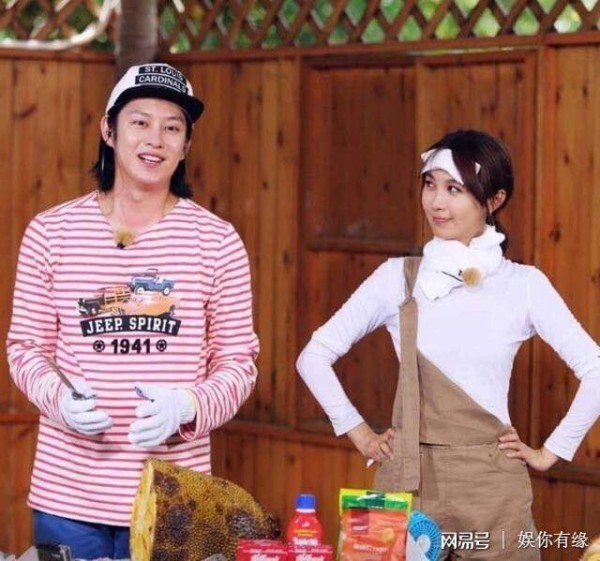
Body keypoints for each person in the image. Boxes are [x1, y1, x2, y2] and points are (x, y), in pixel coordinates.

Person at [296, 129, 600, 560]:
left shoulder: (524, 285)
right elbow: (313, 357)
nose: (436, 202)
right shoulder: (397, 277)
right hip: (407, 486)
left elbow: (596, 370)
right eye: (430, 184)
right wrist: (360, 434)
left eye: (454, 189)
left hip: (493, 493)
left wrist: (550, 453)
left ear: (494, 200)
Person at [6, 63, 259, 560]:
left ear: (186, 145)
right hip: (67, 497)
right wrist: (59, 399)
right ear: (109, 129)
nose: (155, 140)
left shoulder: (217, 242)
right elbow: (25, 349)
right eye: (140, 122)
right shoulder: (51, 232)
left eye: (172, 127)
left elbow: (238, 363)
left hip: (175, 499)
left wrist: (188, 405)